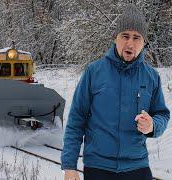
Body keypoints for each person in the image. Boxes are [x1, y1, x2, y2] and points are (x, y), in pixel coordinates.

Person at [61, 4, 170, 180]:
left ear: (143, 43)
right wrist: (69, 166)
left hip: (137, 166)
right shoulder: (94, 72)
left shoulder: (151, 77)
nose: (130, 43)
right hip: (98, 167)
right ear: (115, 38)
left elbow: (162, 114)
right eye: (125, 36)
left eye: (137, 38)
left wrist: (153, 125)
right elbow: (76, 120)